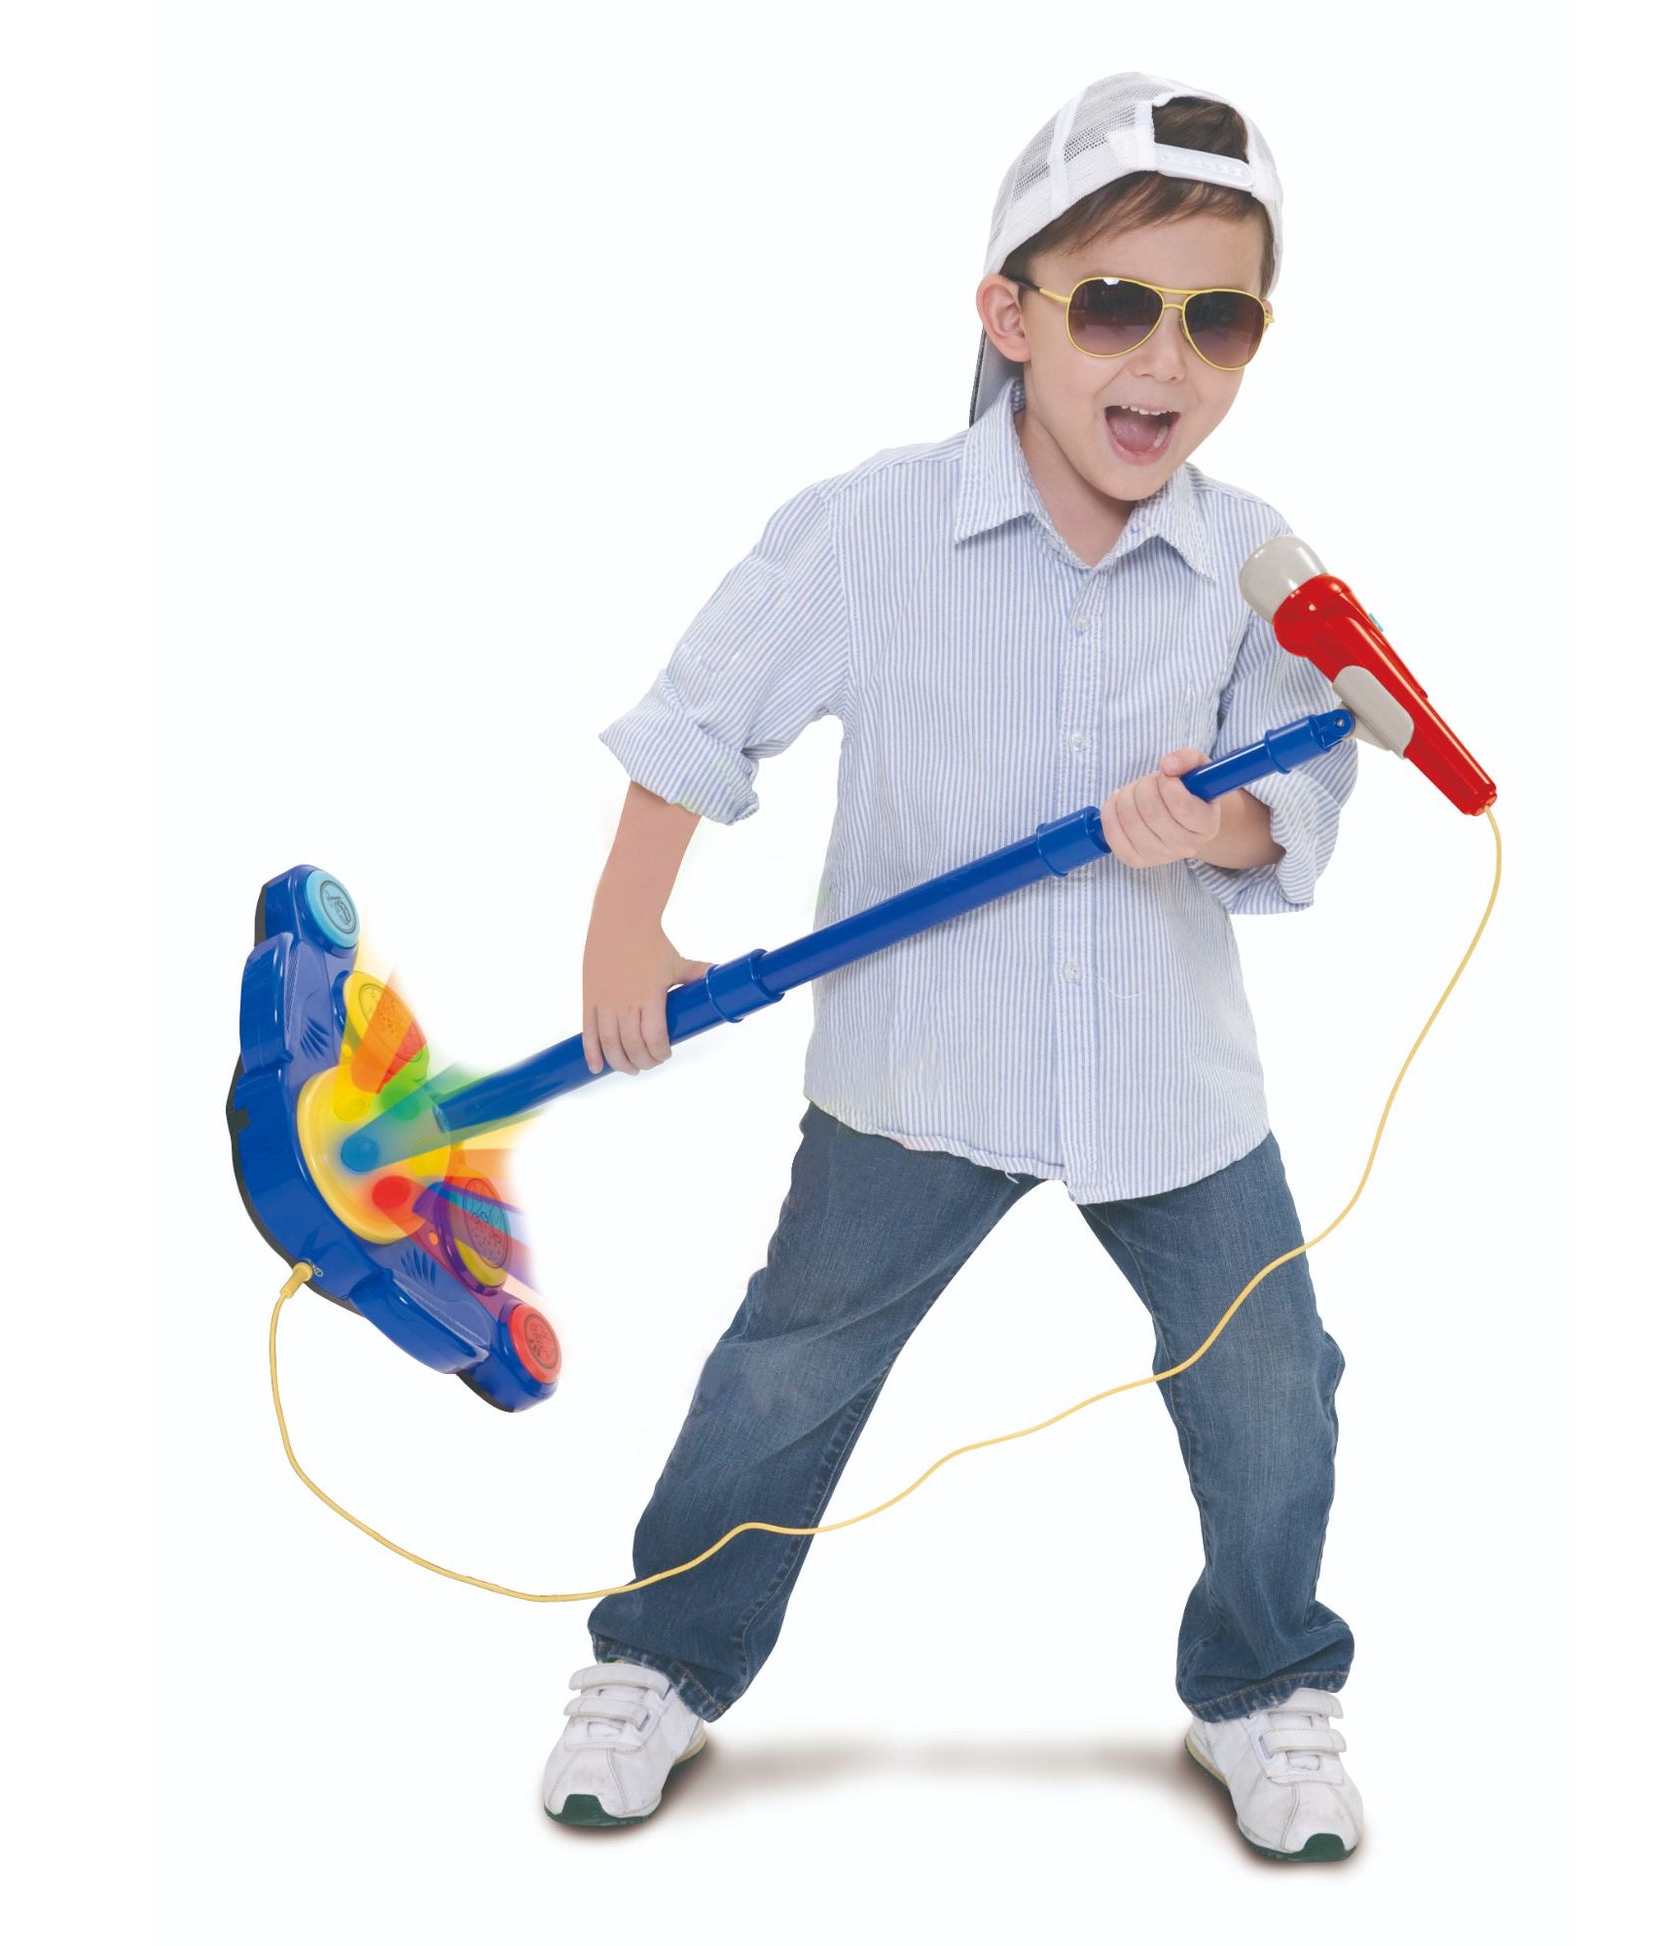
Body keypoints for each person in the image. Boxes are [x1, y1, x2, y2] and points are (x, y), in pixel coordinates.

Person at [542, 74, 1364, 1862]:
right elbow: (696, 721)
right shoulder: (874, 528)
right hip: (919, 1067)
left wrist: (1212, 825)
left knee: (1271, 1381)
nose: (1165, 362)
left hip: (1166, 1079)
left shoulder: (1251, 561)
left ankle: (1262, 1681)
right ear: (1009, 314)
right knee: (785, 1369)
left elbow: (1300, 790)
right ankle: (660, 1656)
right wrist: (625, 928)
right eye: (1117, 306)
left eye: (1218, 319)